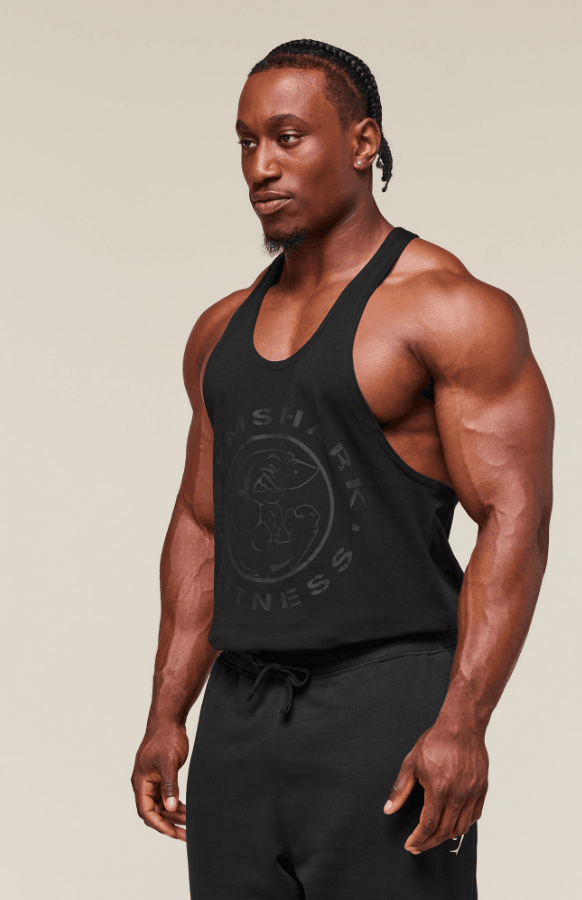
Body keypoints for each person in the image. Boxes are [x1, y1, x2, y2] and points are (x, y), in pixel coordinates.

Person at [131, 38, 554, 900]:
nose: (261, 167)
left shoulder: (448, 310)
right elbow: (203, 521)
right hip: (240, 714)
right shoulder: (219, 331)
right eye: (247, 142)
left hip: (385, 704)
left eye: (288, 137)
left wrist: (464, 719)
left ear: (363, 143)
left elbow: (514, 517)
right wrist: (167, 712)